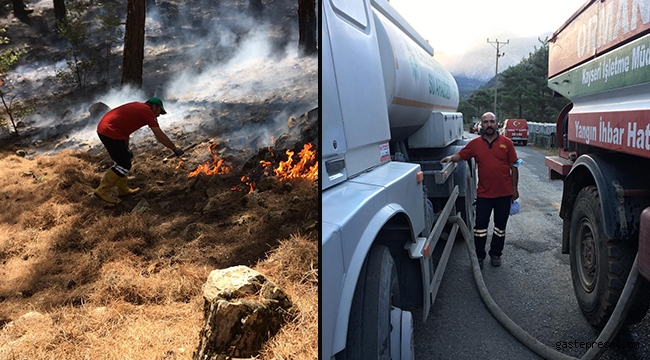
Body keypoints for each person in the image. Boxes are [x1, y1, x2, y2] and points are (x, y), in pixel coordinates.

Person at [440, 112, 519, 269]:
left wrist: (514, 190)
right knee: (480, 227)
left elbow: (514, 167)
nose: (489, 125)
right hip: (484, 194)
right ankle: (479, 256)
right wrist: (451, 158)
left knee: (500, 227)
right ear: (481, 125)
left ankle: (496, 254)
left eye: (492, 121)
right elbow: (462, 155)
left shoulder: (507, 143)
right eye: (486, 122)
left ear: (497, 124)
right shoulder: (475, 144)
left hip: (504, 194)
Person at [94, 97, 184, 204]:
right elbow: (159, 134)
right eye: (160, 111)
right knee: (124, 164)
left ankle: (123, 190)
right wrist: (174, 148)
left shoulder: (139, 107)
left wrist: (126, 149)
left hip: (105, 129)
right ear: (154, 107)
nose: (158, 115)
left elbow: (125, 129)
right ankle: (102, 190)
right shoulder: (147, 111)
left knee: (123, 159)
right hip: (110, 131)